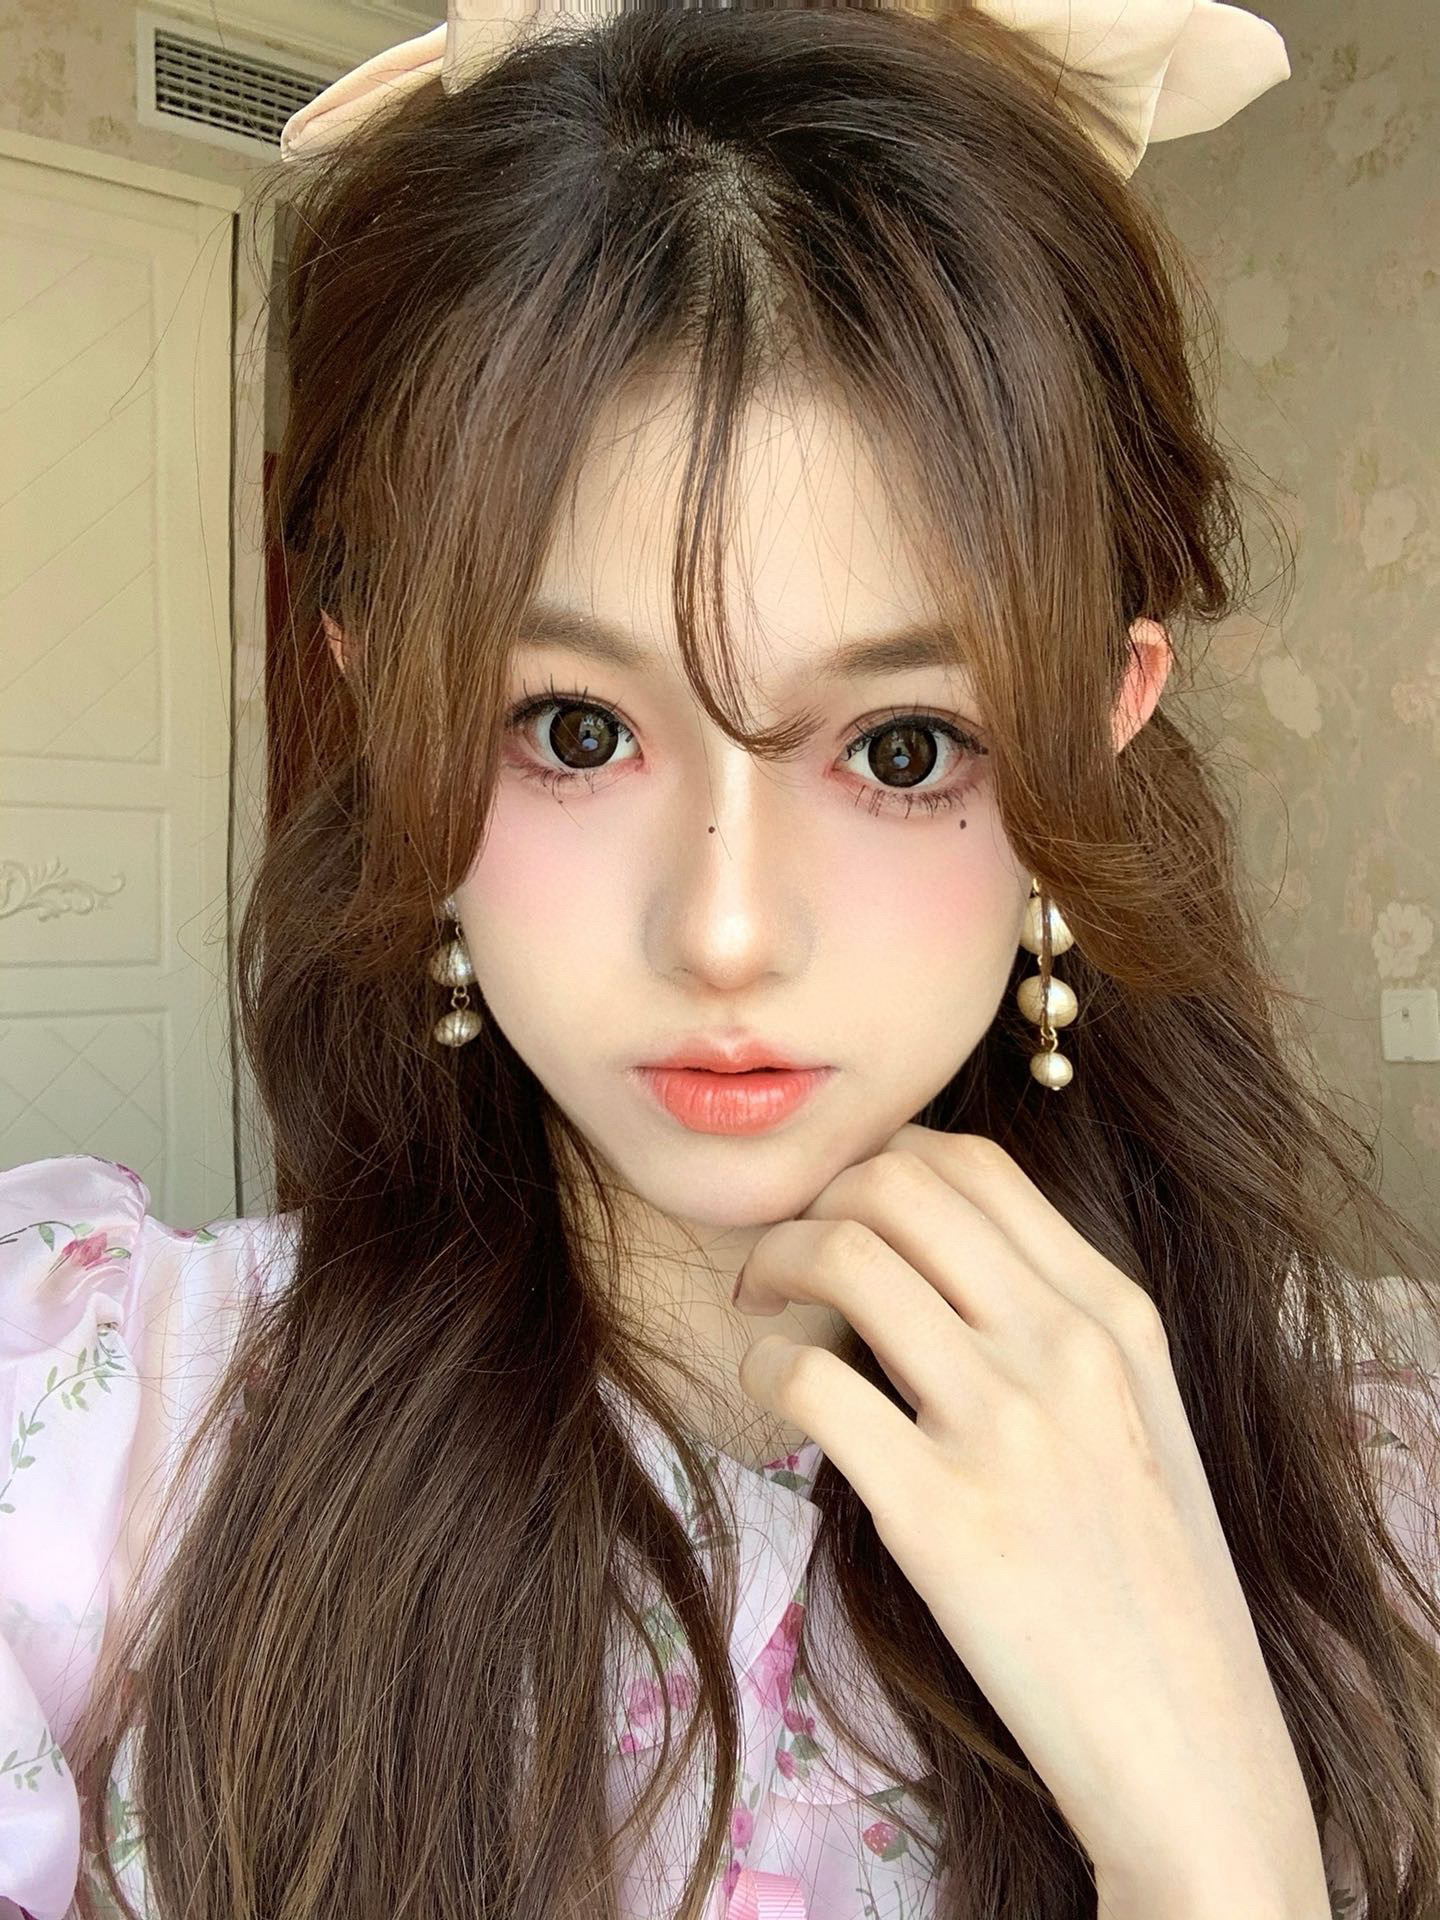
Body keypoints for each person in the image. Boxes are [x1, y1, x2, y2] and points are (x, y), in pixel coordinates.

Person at [3, 2, 1438, 1916]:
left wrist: (1218, 1854)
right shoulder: (95, 1449)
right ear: (387, 710)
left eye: (903, 748)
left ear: (1098, 730)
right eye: (575, 730)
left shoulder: (1364, 1473)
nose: (729, 930)